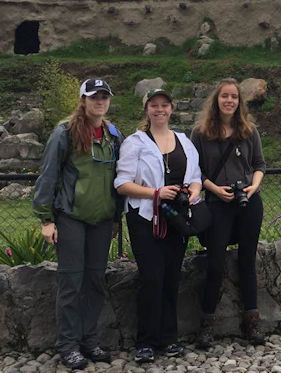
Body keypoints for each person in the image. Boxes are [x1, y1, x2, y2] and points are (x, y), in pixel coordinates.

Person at [33, 78, 122, 370]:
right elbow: (48, 175)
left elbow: (117, 179)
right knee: (71, 282)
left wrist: (115, 217)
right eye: (94, 97)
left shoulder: (112, 134)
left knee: (95, 281)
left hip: (101, 219)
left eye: (104, 97)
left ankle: (89, 340)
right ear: (83, 100)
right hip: (70, 217)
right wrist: (46, 219)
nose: (99, 101)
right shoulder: (65, 133)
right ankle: (68, 345)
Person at [114, 89, 202, 362]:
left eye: (164, 105)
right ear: (147, 109)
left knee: (172, 277)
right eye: (154, 105)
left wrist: (192, 193)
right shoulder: (135, 142)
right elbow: (122, 183)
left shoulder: (185, 142)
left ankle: (169, 337)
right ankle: (146, 341)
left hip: (176, 216)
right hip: (145, 217)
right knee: (152, 277)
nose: (160, 110)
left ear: (171, 108)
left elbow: (196, 177)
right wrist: (155, 192)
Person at [190, 78, 266, 345]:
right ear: (216, 100)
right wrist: (214, 188)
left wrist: (253, 188)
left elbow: (259, 164)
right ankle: (207, 324)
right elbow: (195, 170)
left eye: (234, 97)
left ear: (239, 101)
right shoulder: (200, 133)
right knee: (215, 263)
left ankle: (251, 322)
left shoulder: (249, 130)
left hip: (248, 201)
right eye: (225, 96)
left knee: (247, 261)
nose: (230, 101)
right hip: (217, 202)